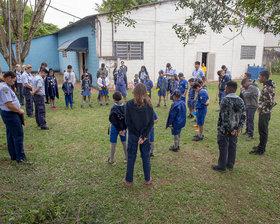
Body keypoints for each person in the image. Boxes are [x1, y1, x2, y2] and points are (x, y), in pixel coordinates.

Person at [123, 83, 154, 187]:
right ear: (145, 92)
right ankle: (145, 178)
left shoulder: (148, 104)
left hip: (137, 135)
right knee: (145, 156)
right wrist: (142, 136)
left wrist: (142, 136)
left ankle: (129, 180)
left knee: (133, 157)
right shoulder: (130, 104)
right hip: (139, 135)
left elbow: (150, 122)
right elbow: (128, 121)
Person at [212, 81, 246, 172]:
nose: (225, 89)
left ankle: (222, 166)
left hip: (225, 130)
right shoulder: (240, 100)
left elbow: (224, 117)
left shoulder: (225, 100)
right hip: (235, 130)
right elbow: (243, 116)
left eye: (226, 88)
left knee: (223, 146)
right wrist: (238, 128)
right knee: (232, 146)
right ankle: (230, 164)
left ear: (229, 89)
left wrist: (231, 129)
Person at [0, 71, 31, 163]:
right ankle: (20, 156)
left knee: (11, 134)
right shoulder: (4, 88)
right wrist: (19, 110)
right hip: (11, 114)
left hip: (9, 113)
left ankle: (13, 155)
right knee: (18, 134)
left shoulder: (5, 86)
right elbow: (8, 104)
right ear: (9, 78)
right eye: (13, 81)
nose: (14, 83)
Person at [250, 71, 277, 155]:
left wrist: (262, 107)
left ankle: (261, 149)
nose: (259, 78)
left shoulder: (267, 88)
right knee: (261, 130)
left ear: (264, 77)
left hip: (265, 112)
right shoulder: (267, 86)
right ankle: (260, 145)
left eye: (260, 76)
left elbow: (270, 102)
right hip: (264, 111)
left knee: (263, 131)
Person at [108, 91, 128, 165]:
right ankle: (127, 157)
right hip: (123, 129)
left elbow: (112, 120)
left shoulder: (113, 108)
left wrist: (119, 129)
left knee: (113, 143)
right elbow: (127, 119)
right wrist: (123, 129)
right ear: (121, 98)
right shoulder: (125, 107)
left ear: (113, 99)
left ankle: (111, 159)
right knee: (124, 143)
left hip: (115, 128)